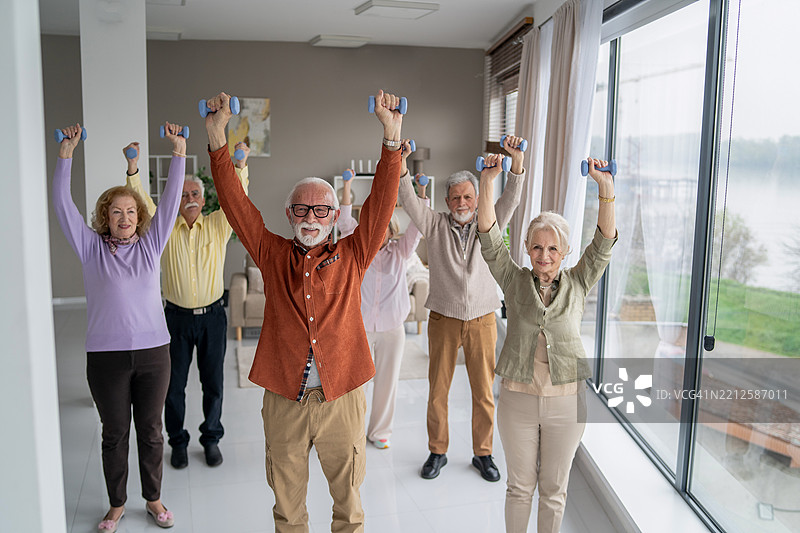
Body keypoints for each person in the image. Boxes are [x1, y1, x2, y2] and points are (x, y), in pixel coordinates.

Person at [202, 90, 403, 532]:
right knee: (288, 512)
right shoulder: (271, 254)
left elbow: (382, 202)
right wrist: (217, 138)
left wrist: (392, 137)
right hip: (284, 402)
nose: (311, 218)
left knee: (348, 509)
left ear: (335, 216)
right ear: (289, 215)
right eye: (302, 209)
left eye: (321, 210)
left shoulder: (355, 252)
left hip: (342, 400)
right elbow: (237, 208)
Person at [52, 122, 186, 532]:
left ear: (138, 216)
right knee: (114, 433)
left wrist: (179, 151)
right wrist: (66, 154)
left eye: (131, 211)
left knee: (150, 431)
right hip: (105, 357)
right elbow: (61, 204)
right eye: (116, 212)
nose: (125, 218)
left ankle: (154, 499)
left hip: (153, 355)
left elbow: (169, 202)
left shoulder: (150, 245)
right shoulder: (91, 248)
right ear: (104, 217)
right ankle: (116, 503)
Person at [476, 155, 617, 533]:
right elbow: (489, 240)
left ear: (565, 251)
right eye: (537, 248)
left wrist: (604, 188)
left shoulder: (579, 281)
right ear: (526, 248)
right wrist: (488, 182)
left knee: (554, 491)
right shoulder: (514, 279)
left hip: (567, 403)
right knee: (520, 488)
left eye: (553, 249)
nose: (544, 256)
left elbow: (603, 243)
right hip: (518, 401)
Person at [397, 136, 527, 482]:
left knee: (483, 391)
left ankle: (483, 454)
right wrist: (401, 161)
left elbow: (512, 196)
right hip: (442, 317)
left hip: (483, 317)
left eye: (468, 196)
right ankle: (437, 451)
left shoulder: (491, 221)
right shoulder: (435, 224)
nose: (462, 202)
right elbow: (408, 199)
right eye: (455, 197)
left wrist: (515, 163)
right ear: (446, 200)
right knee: (438, 390)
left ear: (477, 198)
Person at [123, 141, 251, 469]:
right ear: (175, 202)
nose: (190, 199)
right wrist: (133, 167)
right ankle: (177, 441)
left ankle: (211, 438)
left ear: (204, 199)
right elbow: (144, 206)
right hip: (175, 320)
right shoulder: (164, 229)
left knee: (213, 384)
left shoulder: (218, 226)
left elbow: (238, 201)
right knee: (173, 386)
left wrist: (240, 166)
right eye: (182, 195)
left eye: (194, 194)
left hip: (212, 319)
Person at [337, 145, 428, 450]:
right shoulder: (355, 247)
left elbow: (418, 226)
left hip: (391, 328)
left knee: (386, 383)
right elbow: (345, 219)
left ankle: (379, 432)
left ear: (391, 230)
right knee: (355, 383)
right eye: (375, 225)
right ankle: (352, 431)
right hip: (359, 327)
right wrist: (347, 185)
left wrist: (421, 192)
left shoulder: (399, 253)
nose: (381, 231)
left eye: (386, 227)